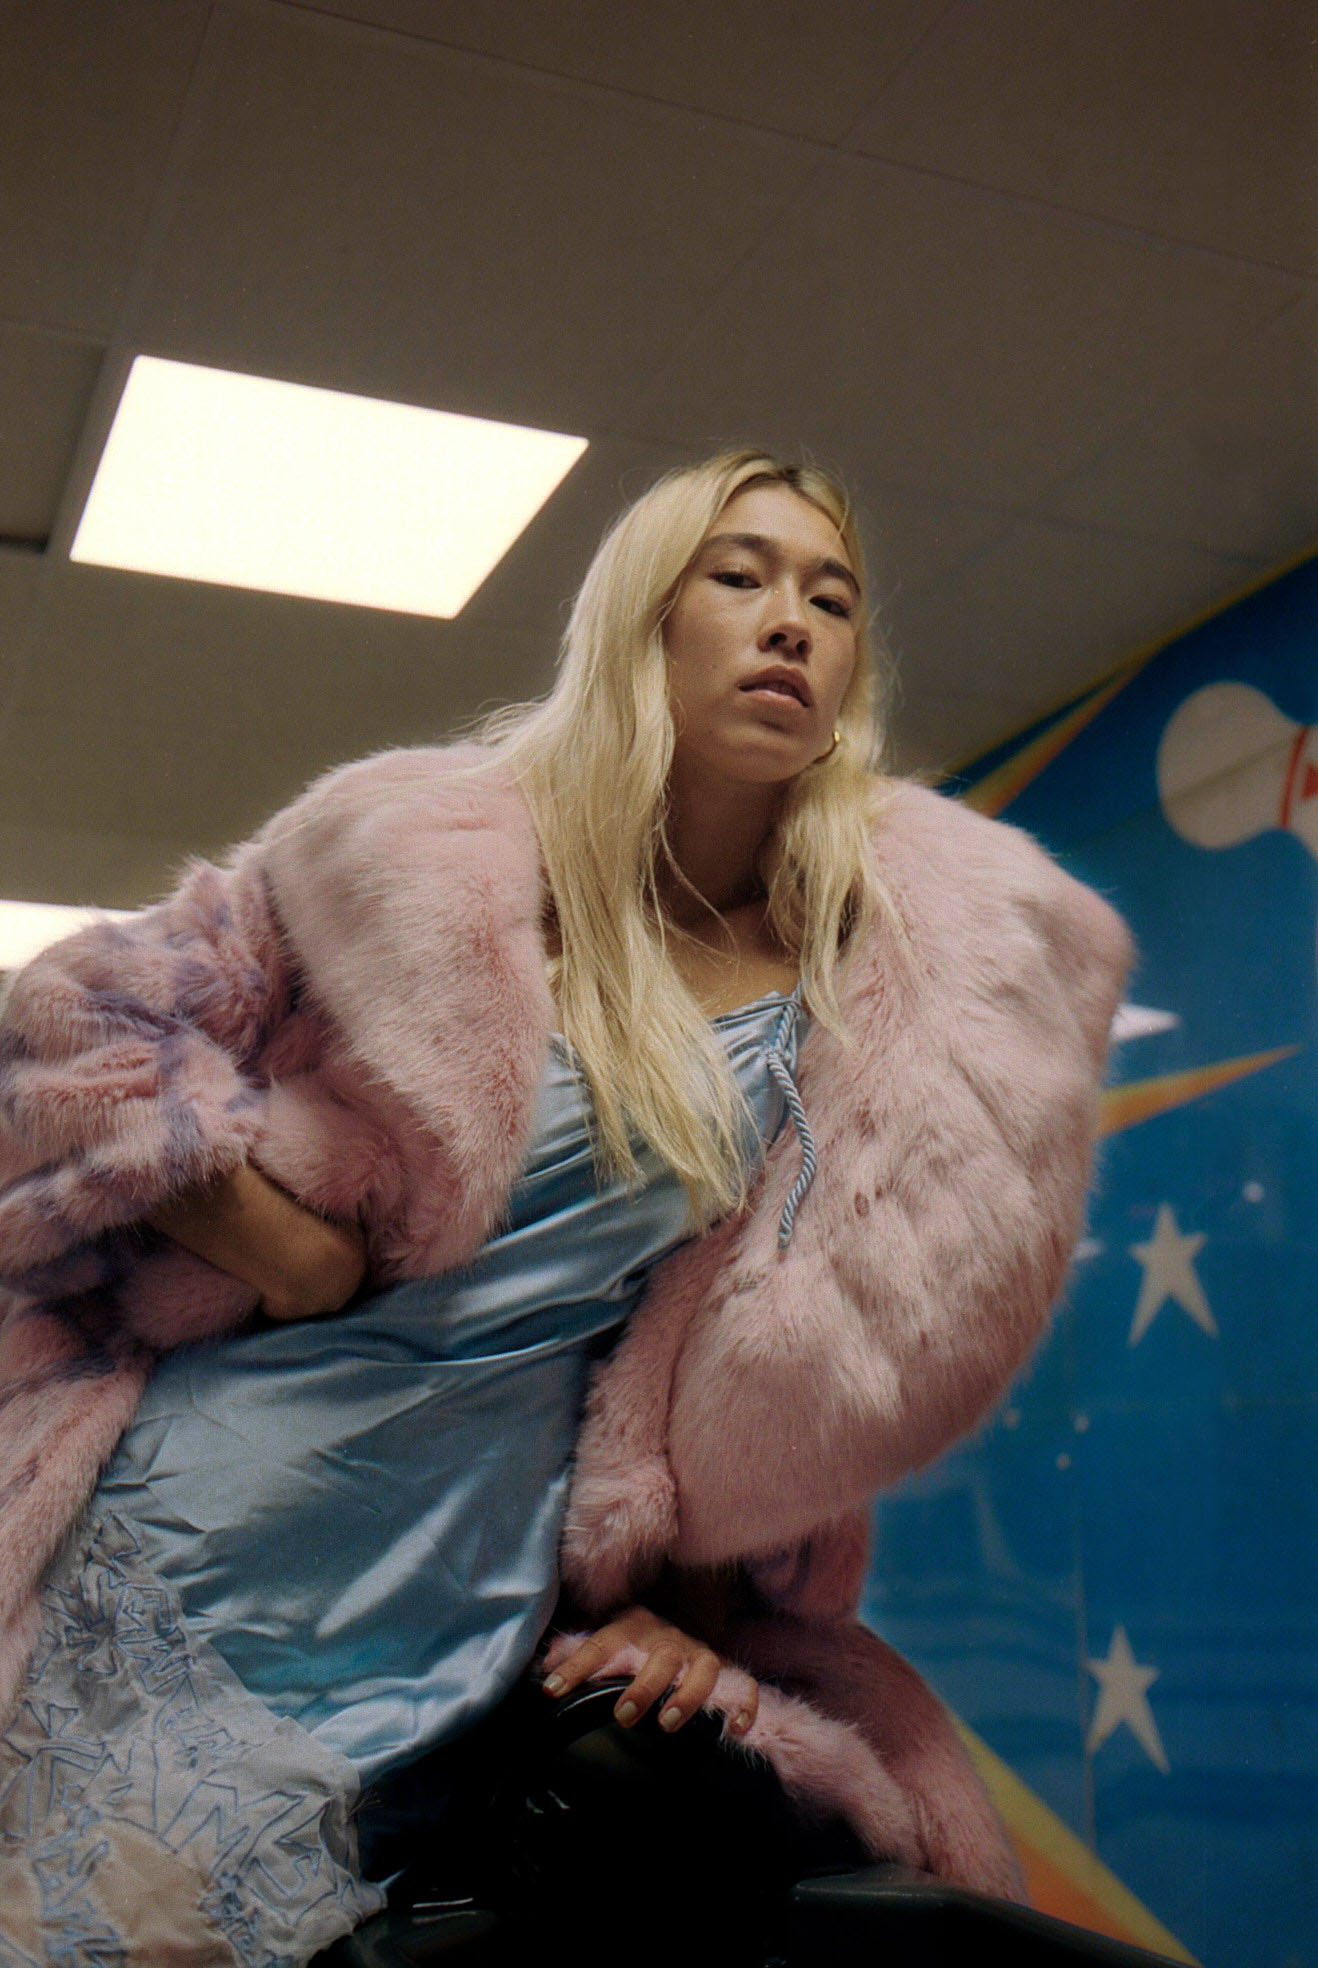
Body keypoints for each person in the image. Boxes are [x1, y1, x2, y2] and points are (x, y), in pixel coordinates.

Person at [0, 451, 1133, 1964]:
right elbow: (69, 1028)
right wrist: (289, 1252)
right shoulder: (415, 857)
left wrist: (690, 1618)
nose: (789, 622)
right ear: (643, 618)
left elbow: (729, 1375)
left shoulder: (856, 1002)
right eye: (738, 576)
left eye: (831, 599)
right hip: (181, 1534)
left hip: (445, 1634)